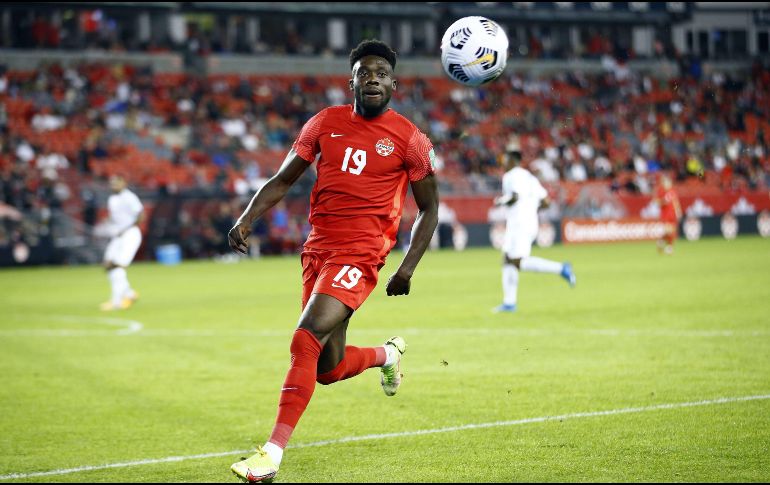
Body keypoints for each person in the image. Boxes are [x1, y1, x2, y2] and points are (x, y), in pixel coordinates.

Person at [228, 39, 439, 483]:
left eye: (382, 73)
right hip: (318, 250)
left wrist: (406, 268)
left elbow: (429, 208)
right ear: (352, 81)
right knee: (328, 368)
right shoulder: (324, 123)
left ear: (394, 84)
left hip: (361, 253)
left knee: (305, 338)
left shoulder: (411, 140)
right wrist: (247, 219)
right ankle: (387, 354)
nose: (374, 79)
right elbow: (283, 179)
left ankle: (270, 456)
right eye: (365, 73)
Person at [493, 147, 575, 313]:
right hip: (527, 222)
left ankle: (561, 268)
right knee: (507, 259)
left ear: (513, 160)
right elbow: (546, 202)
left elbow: (514, 196)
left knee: (518, 261)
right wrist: (530, 208)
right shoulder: (530, 177)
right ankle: (509, 303)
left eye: (505, 159)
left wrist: (500, 201)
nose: (503, 163)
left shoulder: (510, 175)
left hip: (519, 224)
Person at [100, 175, 143, 311]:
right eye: (112, 183)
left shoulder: (129, 197)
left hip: (130, 235)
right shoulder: (112, 199)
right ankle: (129, 293)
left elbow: (141, 215)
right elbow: (116, 217)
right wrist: (107, 223)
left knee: (118, 266)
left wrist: (126, 229)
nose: (114, 185)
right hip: (117, 236)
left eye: (117, 183)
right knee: (108, 264)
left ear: (124, 183)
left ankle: (116, 302)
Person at [654, 173, 682, 255]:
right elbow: (657, 202)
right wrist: (664, 201)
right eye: (666, 182)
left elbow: (676, 201)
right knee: (668, 231)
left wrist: (678, 211)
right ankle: (666, 244)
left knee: (672, 231)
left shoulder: (673, 190)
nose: (668, 183)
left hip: (673, 214)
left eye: (669, 182)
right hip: (665, 214)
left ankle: (666, 245)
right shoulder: (661, 191)